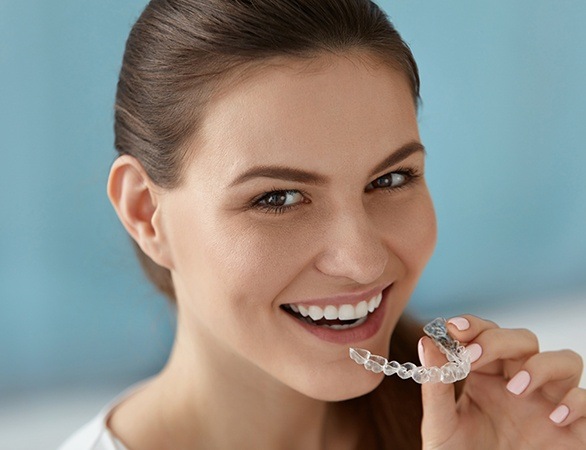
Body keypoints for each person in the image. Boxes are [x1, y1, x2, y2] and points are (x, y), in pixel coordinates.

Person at [60, 0, 586, 448]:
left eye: (390, 179)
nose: (364, 262)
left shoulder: (492, 425)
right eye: (279, 198)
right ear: (146, 214)